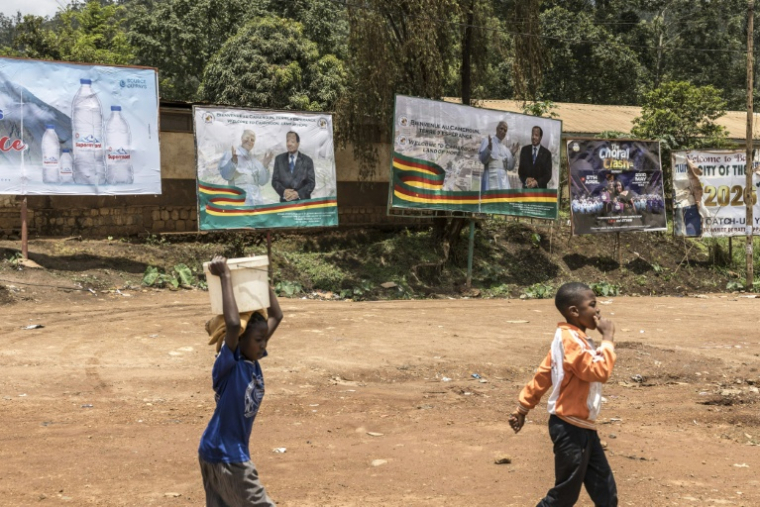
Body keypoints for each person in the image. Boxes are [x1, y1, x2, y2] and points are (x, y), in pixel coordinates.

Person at [509, 282, 617, 507]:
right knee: (565, 495)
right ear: (574, 311)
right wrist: (608, 339)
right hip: (570, 428)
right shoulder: (570, 341)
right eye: (593, 305)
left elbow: (543, 374)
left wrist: (522, 408)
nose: (598, 310)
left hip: (583, 427)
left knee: (606, 492)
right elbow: (598, 371)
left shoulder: (572, 339)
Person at [198, 255, 284, 507]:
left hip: (218, 453)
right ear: (241, 339)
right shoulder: (229, 366)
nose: (263, 345)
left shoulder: (251, 361)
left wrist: (258, 278)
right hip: (228, 457)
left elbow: (277, 315)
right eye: (258, 340)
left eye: (265, 340)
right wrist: (226, 276)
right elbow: (234, 324)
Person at [218, 130, 273, 206]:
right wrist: (233, 162)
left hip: (256, 204)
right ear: (242, 138)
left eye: (252, 140)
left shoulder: (255, 161)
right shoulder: (230, 154)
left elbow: (262, 182)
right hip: (239, 203)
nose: (249, 141)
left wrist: (265, 166)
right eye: (247, 138)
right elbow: (226, 175)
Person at [272, 131, 315, 202]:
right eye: (287, 141)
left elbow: (311, 183)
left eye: (292, 141)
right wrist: (284, 192)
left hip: (302, 203)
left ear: (298, 143)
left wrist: (298, 193)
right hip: (285, 203)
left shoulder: (307, 161)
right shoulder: (279, 159)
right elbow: (275, 181)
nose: (289, 144)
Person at [478, 121, 518, 191]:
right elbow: (482, 160)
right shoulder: (487, 141)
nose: (503, 131)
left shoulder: (505, 149)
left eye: (505, 130)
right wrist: (488, 149)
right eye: (501, 128)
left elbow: (510, 167)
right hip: (490, 181)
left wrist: (512, 154)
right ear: (496, 129)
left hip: (503, 184)